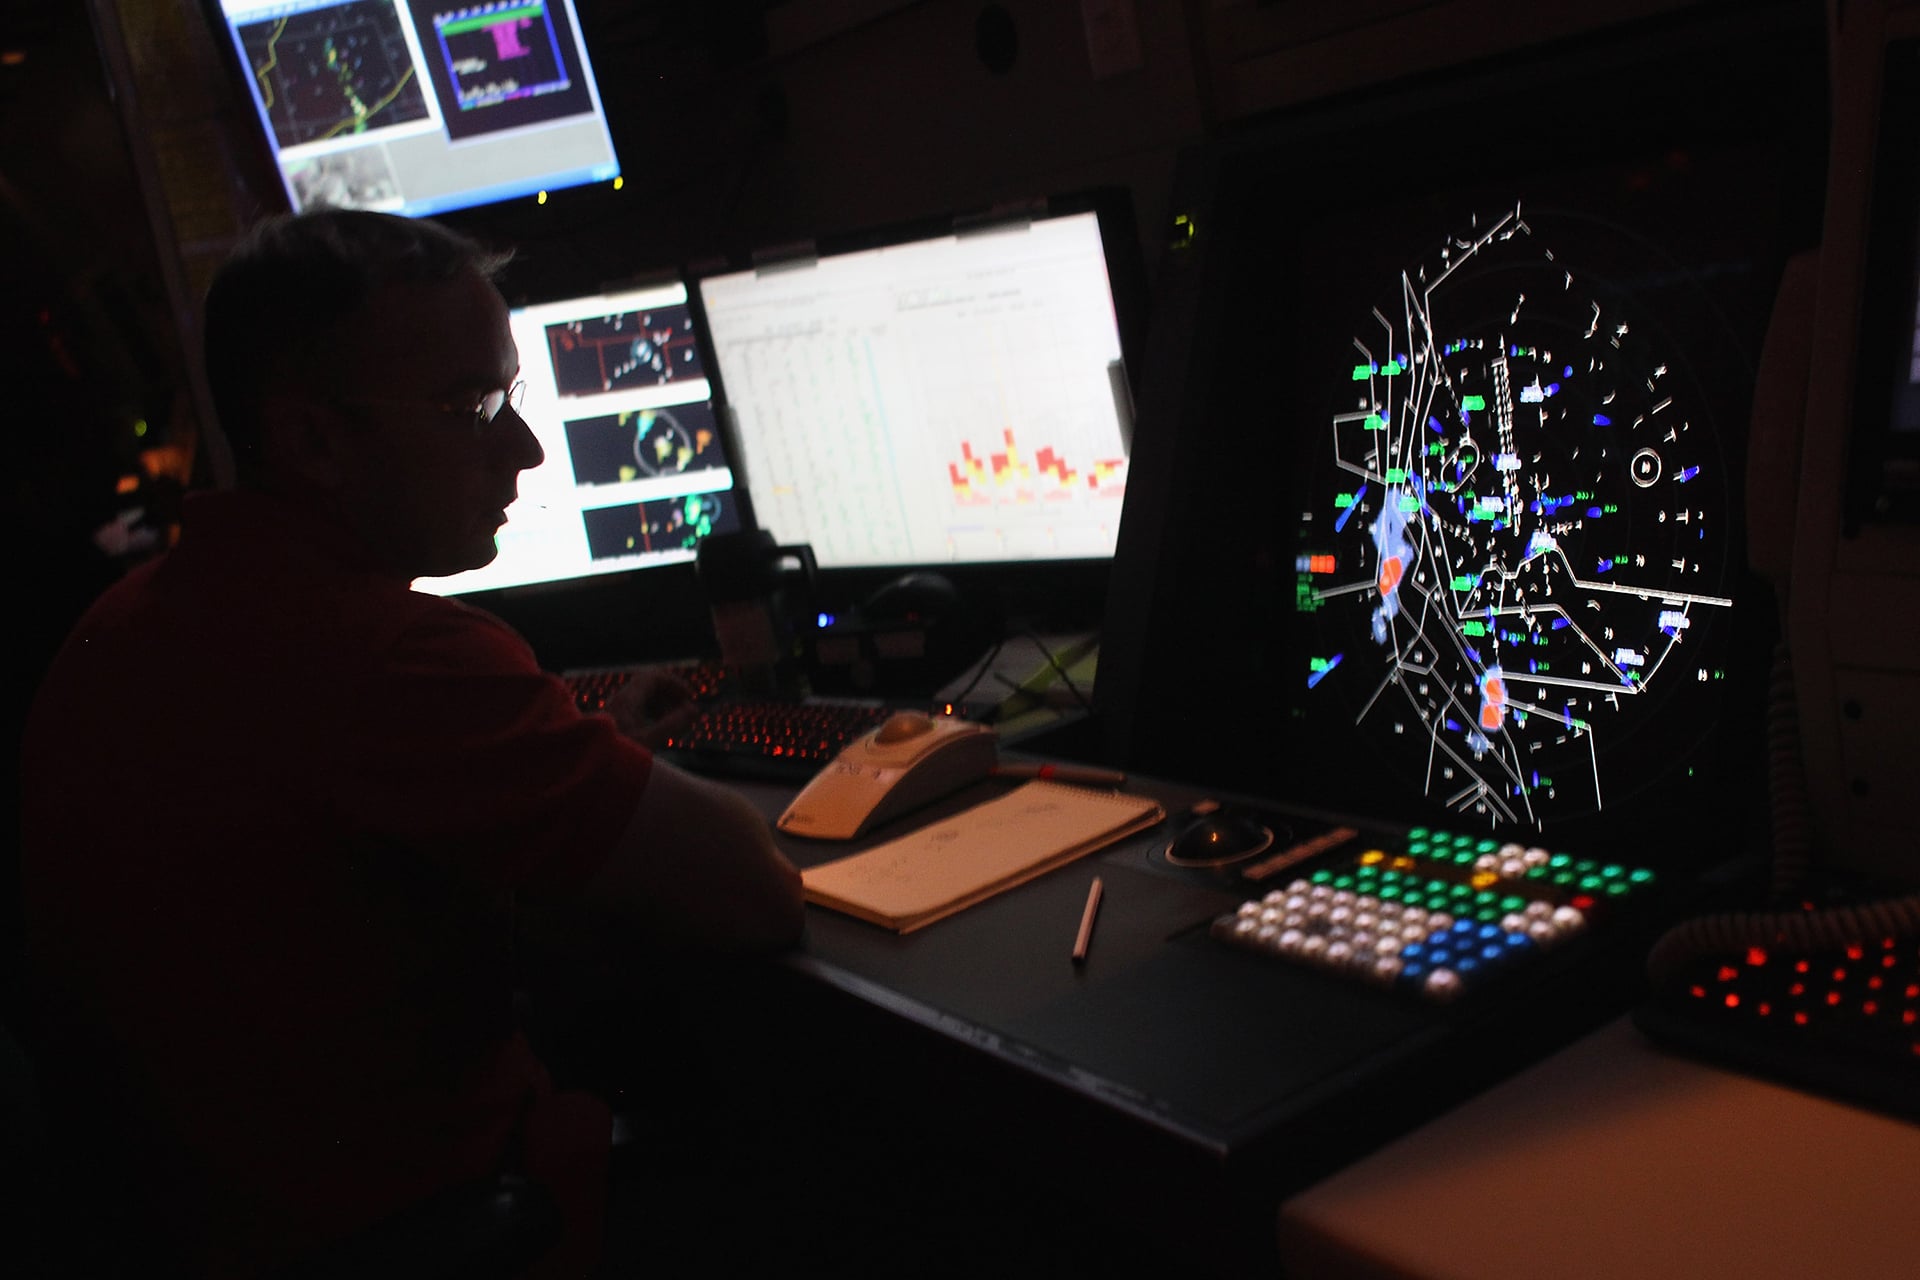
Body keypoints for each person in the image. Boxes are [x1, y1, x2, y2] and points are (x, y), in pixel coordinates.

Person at [17, 208, 806, 1278]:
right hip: (445, 1222)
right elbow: (751, 889)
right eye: (472, 406)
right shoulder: (388, 654)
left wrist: (576, 752)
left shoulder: (127, 622)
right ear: (311, 440)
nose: (524, 447)